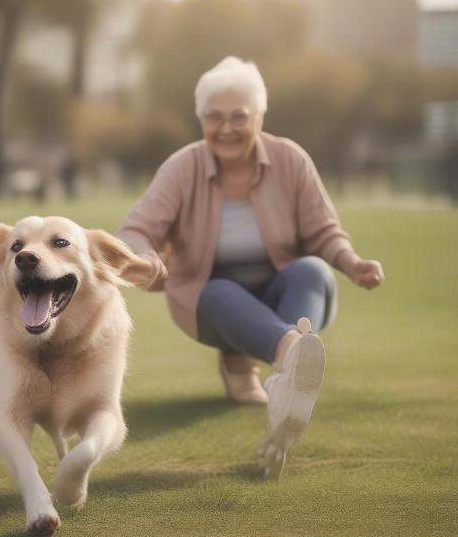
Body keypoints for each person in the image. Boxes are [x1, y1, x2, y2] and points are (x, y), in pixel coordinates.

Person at [117, 56, 384, 479]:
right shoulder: (182, 167)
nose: (226, 128)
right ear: (201, 119)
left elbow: (323, 230)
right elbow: (136, 227)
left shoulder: (290, 160)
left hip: (283, 294)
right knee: (223, 291)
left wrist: (351, 263)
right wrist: (146, 256)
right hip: (209, 299)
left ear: (260, 116)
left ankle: (282, 380)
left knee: (313, 270)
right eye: (214, 117)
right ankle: (292, 357)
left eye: (239, 117)